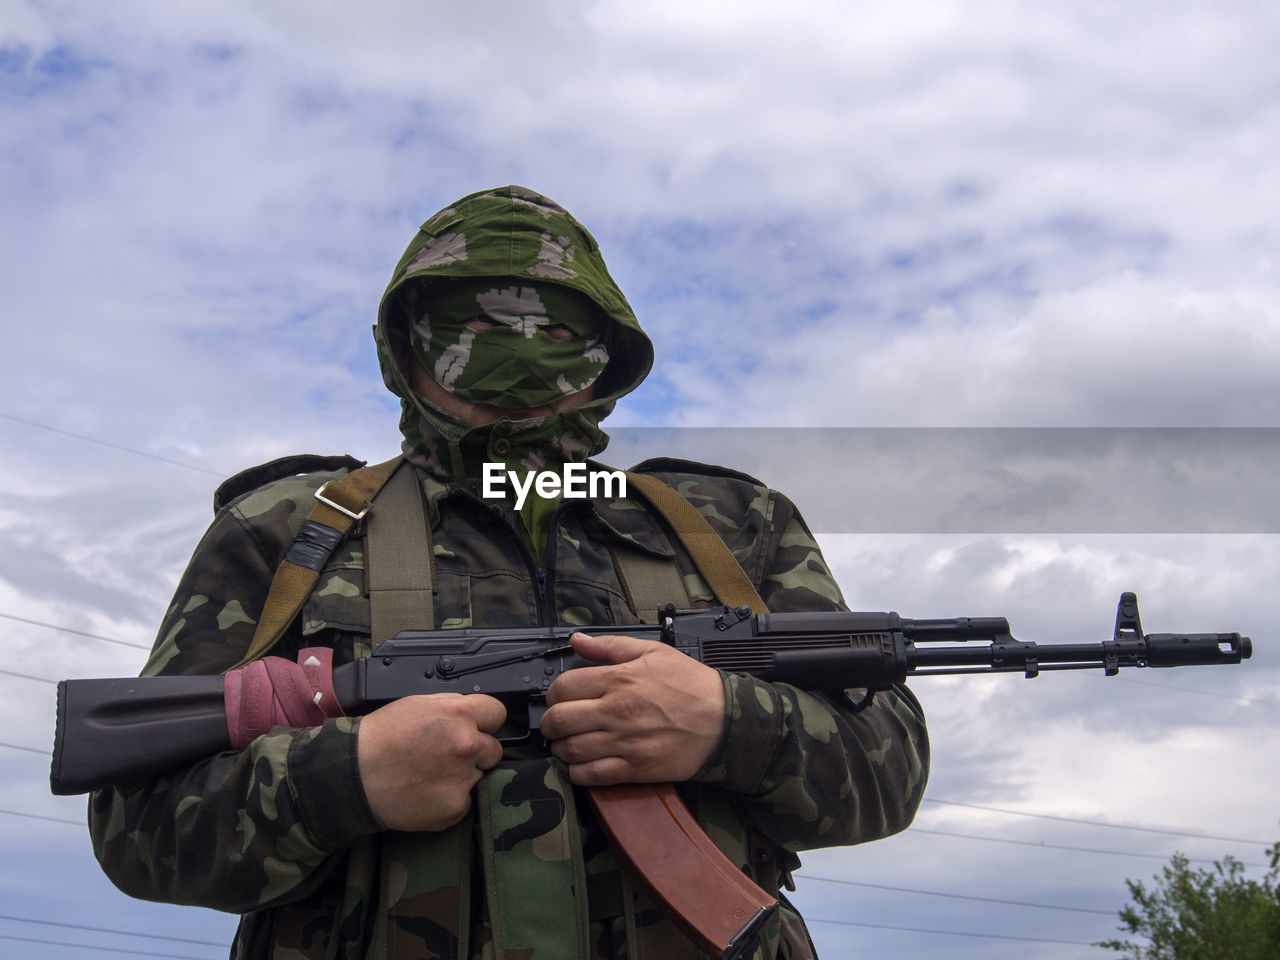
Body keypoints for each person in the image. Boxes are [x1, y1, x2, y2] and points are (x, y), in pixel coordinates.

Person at [89, 185, 929, 959]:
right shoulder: (286, 530)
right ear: (404, 347)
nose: (519, 356)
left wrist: (726, 722)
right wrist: (345, 776)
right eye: (476, 326)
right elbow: (140, 828)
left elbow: (887, 768)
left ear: (607, 353)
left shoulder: (730, 526)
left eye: (556, 330)